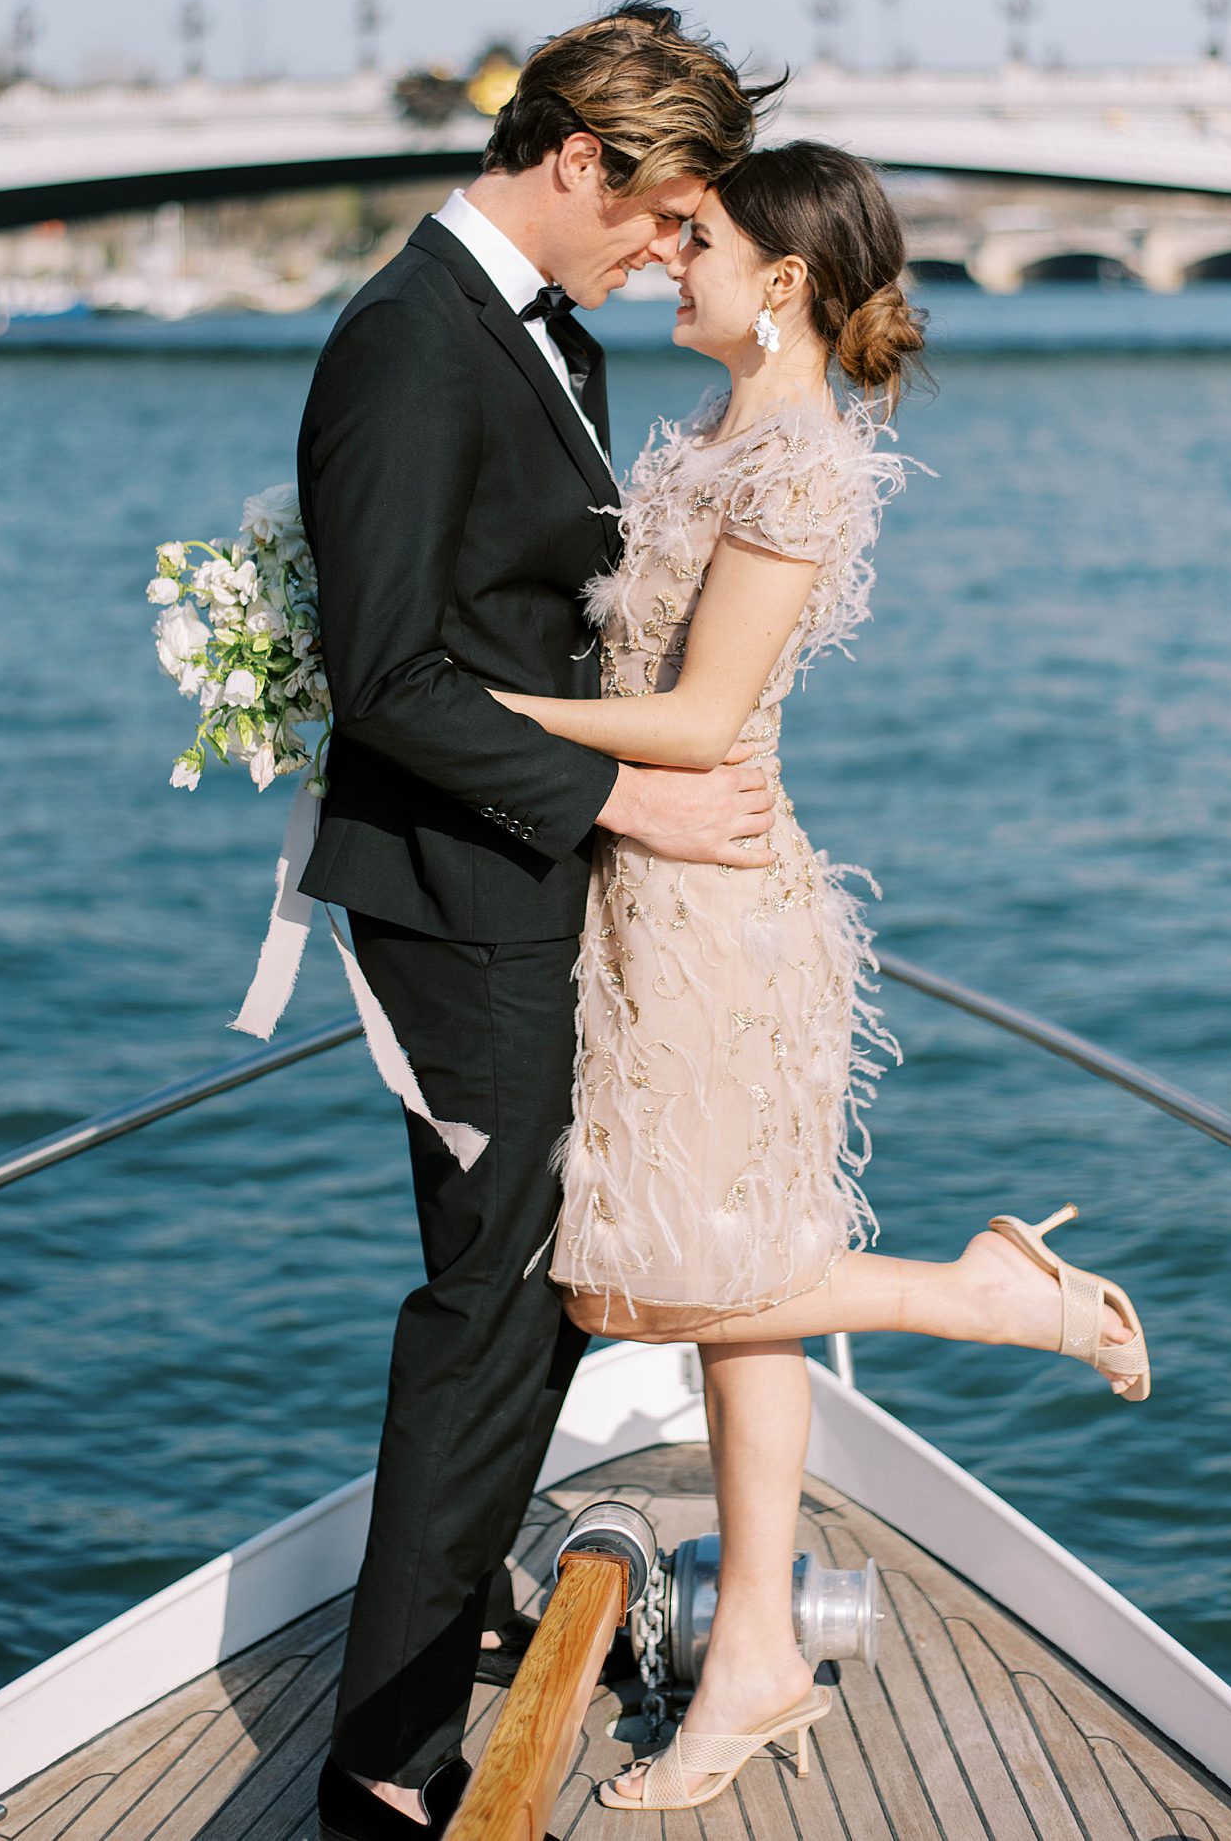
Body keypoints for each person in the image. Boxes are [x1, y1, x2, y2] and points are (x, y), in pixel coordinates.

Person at [491, 139, 1152, 1814]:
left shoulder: (801, 464)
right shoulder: (708, 433)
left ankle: (990, 1298)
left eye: (695, 235)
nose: (664, 254)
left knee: (636, 1286)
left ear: (782, 276)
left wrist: (461, 722)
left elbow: (708, 722)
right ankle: (759, 1661)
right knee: (733, 1296)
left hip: (716, 909)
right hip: (642, 888)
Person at [296, 1, 781, 1839]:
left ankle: (463, 1606)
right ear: (580, 158)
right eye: (662, 214)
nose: (671, 249)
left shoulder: (534, 337)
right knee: (485, 1310)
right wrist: (629, 795)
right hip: (458, 911)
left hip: (525, 894)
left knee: (539, 1296)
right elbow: (390, 679)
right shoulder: (410, 347)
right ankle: (387, 1764)